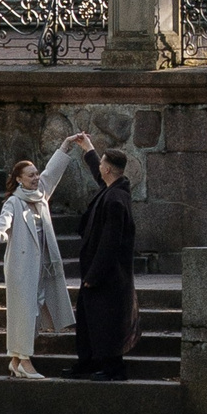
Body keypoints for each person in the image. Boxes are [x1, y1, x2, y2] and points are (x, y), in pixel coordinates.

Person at [0, 135, 84, 378]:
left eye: (36, 174)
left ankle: (16, 361)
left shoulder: (40, 194)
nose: (36, 178)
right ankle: (24, 360)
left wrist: (65, 146)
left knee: (34, 309)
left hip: (43, 263)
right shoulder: (14, 202)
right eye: (31, 175)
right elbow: (1, 224)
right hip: (22, 266)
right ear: (19, 179)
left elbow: (52, 173)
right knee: (26, 312)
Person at [70, 140, 138, 381]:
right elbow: (98, 176)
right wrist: (88, 149)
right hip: (98, 272)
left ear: (108, 169)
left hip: (108, 275)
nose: (99, 166)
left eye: (101, 164)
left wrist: (94, 274)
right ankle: (88, 363)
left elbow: (111, 241)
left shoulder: (115, 199)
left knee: (107, 321)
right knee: (90, 319)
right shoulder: (112, 189)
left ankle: (113, 368)